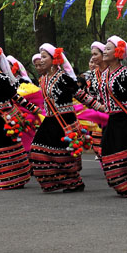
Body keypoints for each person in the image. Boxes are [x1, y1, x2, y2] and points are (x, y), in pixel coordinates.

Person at [79, 36, 127, 198]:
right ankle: (125, 184)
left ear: (118, 53)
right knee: (108, 151)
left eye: (108, 49)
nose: (105, 51)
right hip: (112, 120)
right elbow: (98, 100)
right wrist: (90, 102)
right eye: (105, 49)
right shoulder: (102, 76)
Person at [0, 42, 40, 190]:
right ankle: (4, 178)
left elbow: (14, 96)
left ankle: (12, 178)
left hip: (2, 118)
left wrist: (31, 107)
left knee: (3, 147)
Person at [28, 44, 85, 193]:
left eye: (44, 57)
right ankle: (52, 183)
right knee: (37, 150)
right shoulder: (43, 79)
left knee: (62, 154)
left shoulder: (63, 78)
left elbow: (80, 95)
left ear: (55, 59)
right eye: (41, 57)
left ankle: (74, 182)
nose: (41, 60)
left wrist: (100, 107)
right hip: (50, 119)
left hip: (64, 120)